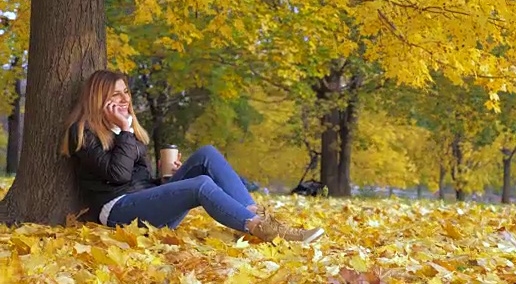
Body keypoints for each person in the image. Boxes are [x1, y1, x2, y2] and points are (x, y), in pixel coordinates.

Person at [60, 70, 324, 244]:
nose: (125, 99)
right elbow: (117, 176)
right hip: (118, 212)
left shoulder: (131, 132)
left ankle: (258, 218)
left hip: (146, 206)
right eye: (116, 94)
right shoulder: (83, 132)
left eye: (126, 92)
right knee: (200, 186)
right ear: (99, 98)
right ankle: (264, 230)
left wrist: (169, 179)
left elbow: (139, 180)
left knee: (206, 154)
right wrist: (126, 130)